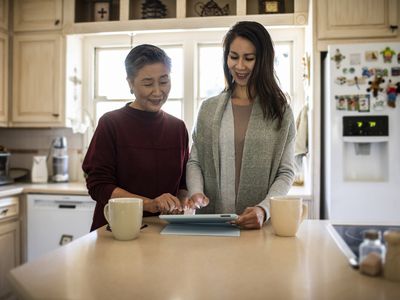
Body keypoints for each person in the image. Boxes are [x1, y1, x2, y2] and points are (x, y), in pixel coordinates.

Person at [186, 21, 296, 229]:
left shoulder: (280, 112)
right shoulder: (208, 109)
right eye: (233, 57)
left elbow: (286, 172)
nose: (239, 66)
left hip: (260, 226)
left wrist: (264, 209)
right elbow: (195, 161)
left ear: (263, 60)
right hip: (212, 225)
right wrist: (196, 193)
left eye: (249, 58)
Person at [82, 44, 189, 231]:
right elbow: (99, 186)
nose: (157, 92)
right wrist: (149, 204)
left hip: (163, 232)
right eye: (148, 83)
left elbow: (183, 185)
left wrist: (183, 204)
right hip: (116, 230)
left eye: (164, 81)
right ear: (130, 83)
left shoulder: (177, 128)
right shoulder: (111, 123)